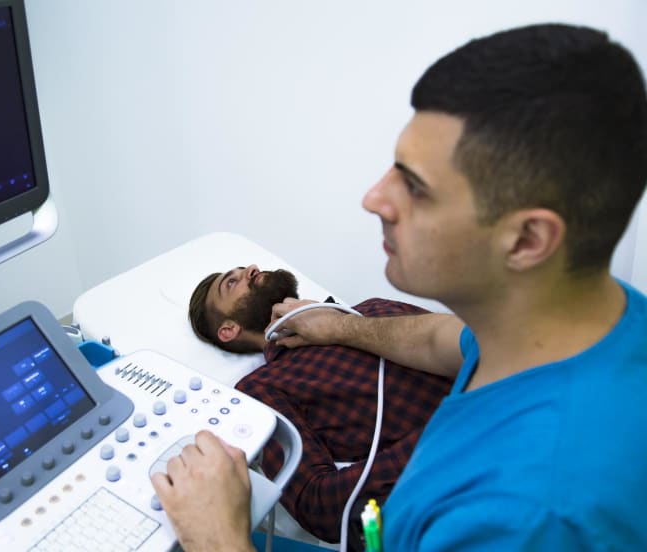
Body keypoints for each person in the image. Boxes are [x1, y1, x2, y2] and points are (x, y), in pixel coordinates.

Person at [151, 23, 647, 551]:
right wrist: (342, 326)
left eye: (415, 186)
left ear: (527, 239)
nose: (374, 198)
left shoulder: (521, 517)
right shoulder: (577, 327)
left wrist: (217, 537)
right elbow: (442, 339)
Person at [186, 265, 452, 542]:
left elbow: (474, 346)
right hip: (469, 486)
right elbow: (317, 504)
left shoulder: (372, 309)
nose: (252, 268)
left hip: (499, 408)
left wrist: (339, 323)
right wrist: (450, 435)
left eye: (245, 268)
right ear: (229, 330)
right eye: (231, 283)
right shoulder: (260, 390)